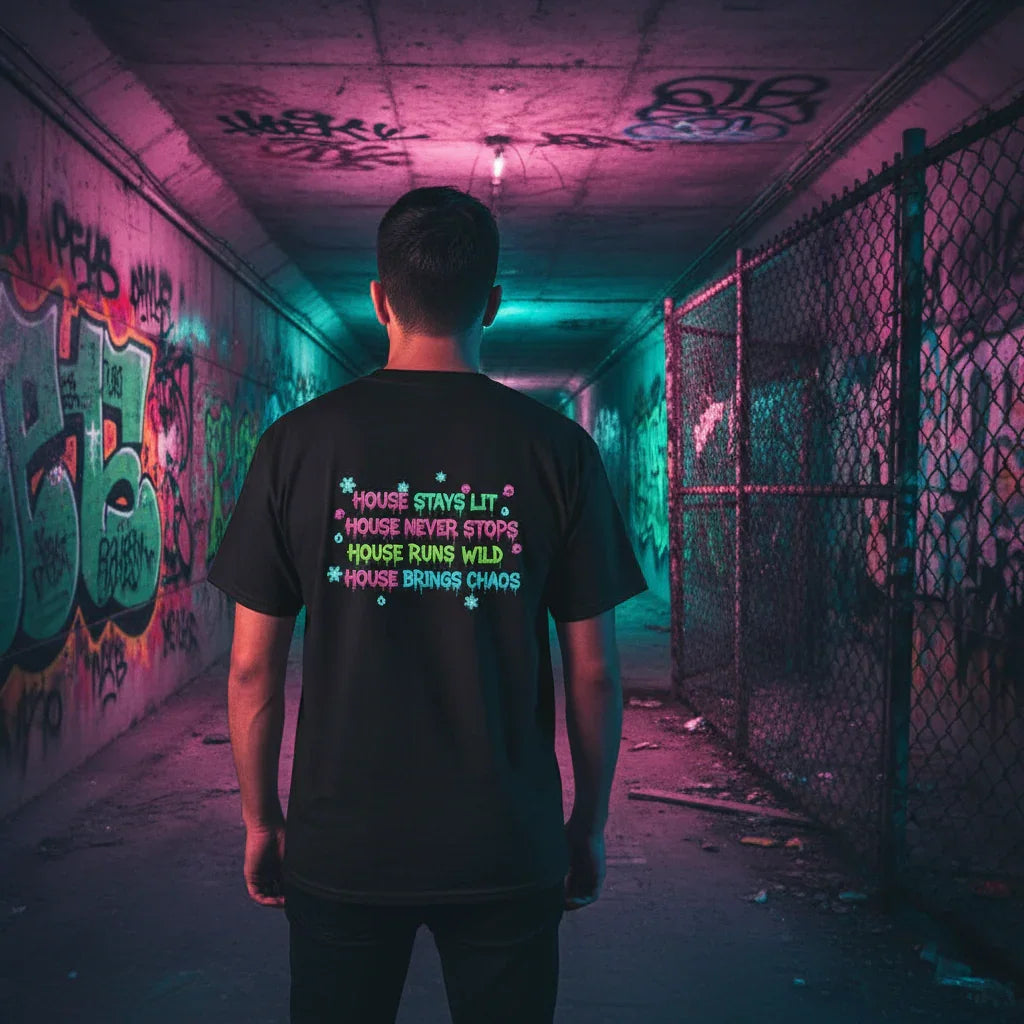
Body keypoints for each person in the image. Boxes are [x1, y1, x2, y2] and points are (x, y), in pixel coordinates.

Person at [207, 185, 648, 1023]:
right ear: (491, 302)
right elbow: (593, 674)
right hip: (505, 841)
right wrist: (585, 825)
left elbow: (252, 667)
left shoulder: (296, 446)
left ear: (379, 300)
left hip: (343, 845)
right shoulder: (557, 449)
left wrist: (263, 819)